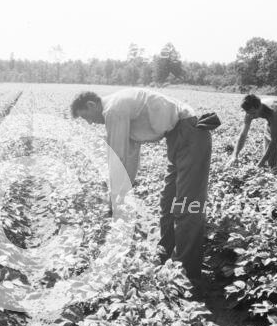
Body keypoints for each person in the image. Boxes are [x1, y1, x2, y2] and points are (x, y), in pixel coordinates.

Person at [70, 89, 220, 283]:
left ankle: (186, 274)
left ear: (91, 105)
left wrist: (114, 198)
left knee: (187, 206)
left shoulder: (114, 110)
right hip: (178, 138)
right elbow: (130, 155)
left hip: (190, 133)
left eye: (86, 117)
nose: (90, 123)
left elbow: (117, 157)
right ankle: (164, 255)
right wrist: (121, 193)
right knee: (168, 203)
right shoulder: (118, 109)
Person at [227, 94, 277, 178]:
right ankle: (272, 184)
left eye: (253, 113)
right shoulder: (250, 111)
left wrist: (260, 163)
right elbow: (243, 134)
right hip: (270, 127)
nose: (251, 116)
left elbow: (274, 141)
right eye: (249, 113)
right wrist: (234, 155)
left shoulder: (273, 112)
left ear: (260, 107)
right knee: (271, 163)